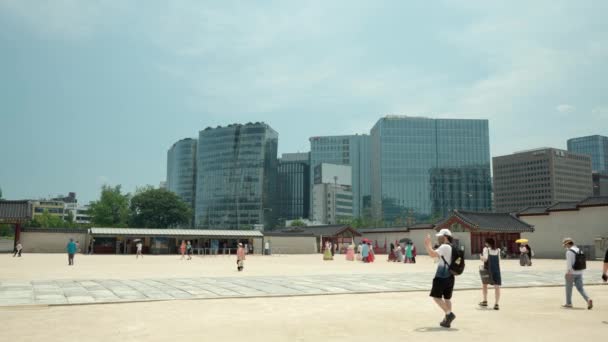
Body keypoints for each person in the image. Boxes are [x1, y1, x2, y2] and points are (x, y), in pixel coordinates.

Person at [424, 229, 456, 329]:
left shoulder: (444, 246)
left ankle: (449, 314)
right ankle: (447, 321)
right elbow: (437, 258)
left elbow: (432, 254)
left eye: (440, 236)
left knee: (436, 297)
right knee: (447, 298)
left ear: (445, 237)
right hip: (450, 276)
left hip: (441, 276)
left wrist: (427, 244)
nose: (438, 238)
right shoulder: (453, 247)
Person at [562, 238, 592, 310]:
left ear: (568, 244)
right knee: (580, 288)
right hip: (580, 272)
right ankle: (588, 299)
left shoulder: (569, 252)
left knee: (568, 288)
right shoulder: (579, 250)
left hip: (571, 273)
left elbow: (569, 264)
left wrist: (568, 273)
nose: (565, 246)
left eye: (565, 245)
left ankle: (569, 303)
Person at [479, 238, 502, 310]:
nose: (485, 244)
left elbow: (485, 259)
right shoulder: (498, 250)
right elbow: (499, 259)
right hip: (496, 270)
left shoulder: (486, 249)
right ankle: (496, 304)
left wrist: (481, 257)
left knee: (484, 285)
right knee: (497, 287)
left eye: (486, 243)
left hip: (488, 270)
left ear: (488, 243)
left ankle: (485, 301)